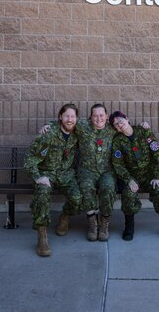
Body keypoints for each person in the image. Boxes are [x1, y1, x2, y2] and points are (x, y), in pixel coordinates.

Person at [41, 103, 117, 242]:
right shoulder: (83, 126)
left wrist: (143, 125)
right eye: (95, 116)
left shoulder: (113, 129)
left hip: (107, 171)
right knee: (86, 188)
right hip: (86, 170)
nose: (98, 118)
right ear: (90, 117)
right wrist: (49, 125)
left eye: (101, 115)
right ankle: (93, 224)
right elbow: (67, 122)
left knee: (108, 188)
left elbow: (128, 128)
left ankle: (104, 224)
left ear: (106, 116)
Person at [24, 103, 80, 257]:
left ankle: (65, 217)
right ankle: (42, 236)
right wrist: (37, 177)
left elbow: (100, 125)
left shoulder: (79, 132)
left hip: (66, 175)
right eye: (66, 116)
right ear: (60, 117)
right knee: (42, 193)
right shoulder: (48, 133)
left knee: (78, 198)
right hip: (47, 174)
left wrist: (139, 127)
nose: (70, 119)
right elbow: (30, 158)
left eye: (73, 116)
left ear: (77, 118)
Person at [109, 110, 159, 241]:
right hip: (133, 177)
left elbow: (156, 153)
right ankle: (129, 227)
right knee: (128, 194)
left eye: (120, 121)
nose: (119, 125)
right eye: (115, 125)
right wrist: (129, 180)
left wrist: (157, 175)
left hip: (150, 176)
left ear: (127, 119)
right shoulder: (118, 141)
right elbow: (118, 164)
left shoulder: (143, 131)